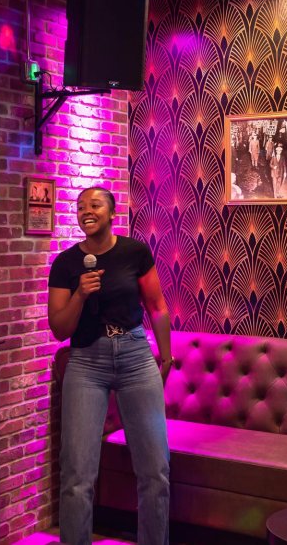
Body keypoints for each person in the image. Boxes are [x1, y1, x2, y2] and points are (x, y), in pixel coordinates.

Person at [48, 186, 172, 545]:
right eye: (81, 206)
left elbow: (158, 306)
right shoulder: (67, 264)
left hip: (135, 355)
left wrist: (166, 355)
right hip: (87, 361)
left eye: (95, 205)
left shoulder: (134, 252)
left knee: (155, 471)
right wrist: (80, 293)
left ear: (111, 212)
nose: (87, 211)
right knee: (76, 476)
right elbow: (59, 329)